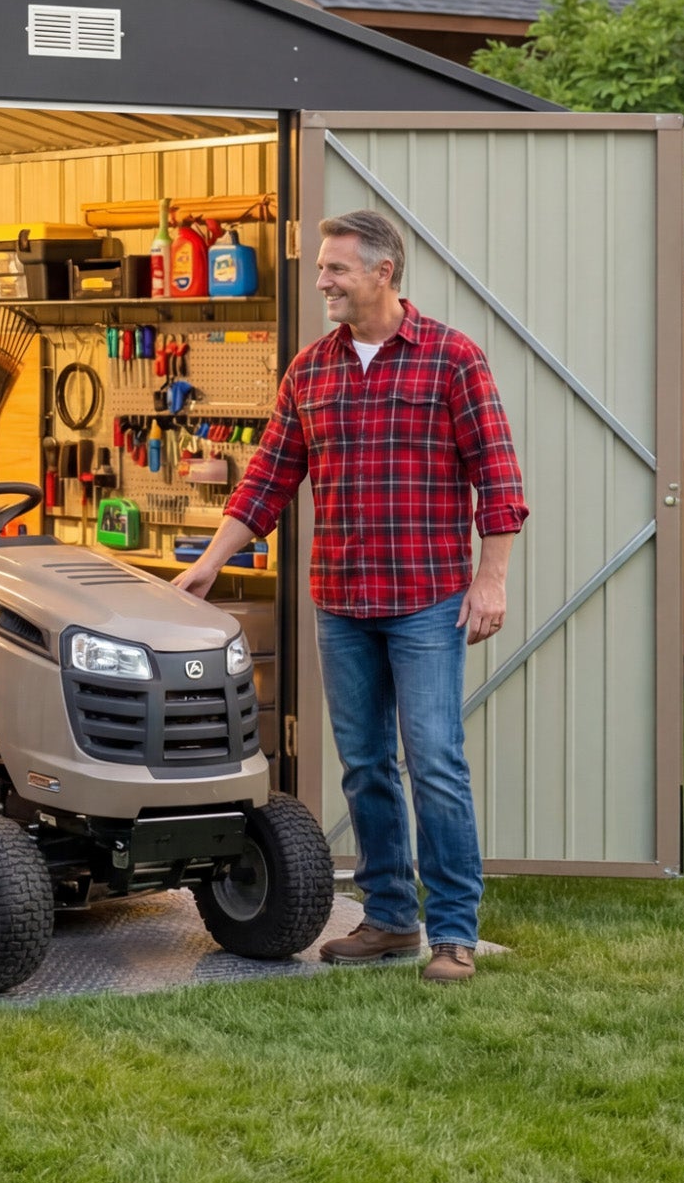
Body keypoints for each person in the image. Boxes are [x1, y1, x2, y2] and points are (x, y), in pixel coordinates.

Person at [173, 209, 527, 984]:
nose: (323, 281)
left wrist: (491, 579)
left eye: (336, 269)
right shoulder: (311, 369)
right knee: (365, 765)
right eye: (324, 268)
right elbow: (269, 477)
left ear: (382, 273)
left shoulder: (450, 359)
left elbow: (498, 479)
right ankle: (391, 918)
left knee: (433, 761)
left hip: (427, 598)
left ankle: (455, 933)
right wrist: (211, 560)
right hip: (341, 600)